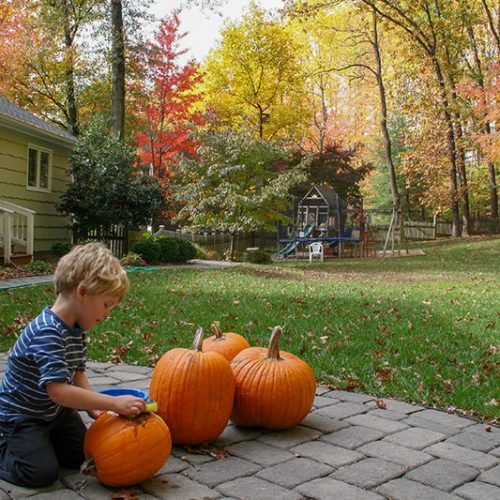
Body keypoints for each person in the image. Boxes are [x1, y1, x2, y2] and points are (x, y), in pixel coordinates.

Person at [0, 242, 145, 488]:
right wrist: (112, 403)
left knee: (84, 454)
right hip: (23, 417)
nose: (107, 314)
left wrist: (93, 408)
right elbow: (57, 391)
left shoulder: (75, 329)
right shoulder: (47, 331)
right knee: (40, 473)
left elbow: (76, 372)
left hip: (55, 413)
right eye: (106, 305)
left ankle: (42, 443)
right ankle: (8, 447)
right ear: (82, 292)